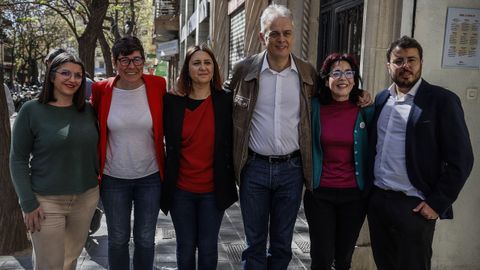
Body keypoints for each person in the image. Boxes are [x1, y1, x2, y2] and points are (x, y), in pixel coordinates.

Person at [367, 35, 474, 270]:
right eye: (399, 60)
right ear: (389, 66)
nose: (405, 66)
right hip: (379, 202)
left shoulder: (441, 101)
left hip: (414, 206)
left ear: (421, 62)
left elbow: (462, 159)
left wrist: (437, 203)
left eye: (411, 60)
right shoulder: (381, 99)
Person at [223, 4, 317, 269]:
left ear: (294, 35)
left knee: (282, 244)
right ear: (262, 36)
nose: (281, 39)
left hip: (292, 170)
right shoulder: (244, 70)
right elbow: (220, 101)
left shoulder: (307, 73)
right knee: (254, 244)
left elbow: (330, 103)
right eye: (273, 33)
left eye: (286, 32)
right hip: (254, 168)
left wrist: (361, 98)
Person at [9, 52, 99, 269]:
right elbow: (18, 159)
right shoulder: (31, 110)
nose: (72, 79)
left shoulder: (88, 110)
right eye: (65, 73)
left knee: (69, 261)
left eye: (78, 75)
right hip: (45, 202)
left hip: (85, 199)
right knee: (50, 264)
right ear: (51, 76)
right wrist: (27, 203)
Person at [90, 36, 166, 270]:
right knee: (118, 239)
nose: (131, 66)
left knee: (145, 239)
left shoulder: (157, 85)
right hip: (114, 178)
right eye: (124, 60)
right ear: (114, 63)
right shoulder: (101, 89)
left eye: (136, 59)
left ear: (143, 61)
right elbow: (92, 126)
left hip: (150, 177)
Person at [161, 44, 238, 269]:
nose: (203, 67)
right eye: (196, 63)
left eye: (207, 62)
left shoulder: (226, 100)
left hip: (213, 191)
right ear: (187, 69)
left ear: (214, 68)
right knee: (185, 247)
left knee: (208, 247)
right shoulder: (172, 102)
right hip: (180, 190)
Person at [304, 53, 373, 270]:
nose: (343, 78)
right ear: (326, 79)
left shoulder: (365, 109)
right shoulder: (314, 107)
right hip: (320, 193)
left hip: (354, 195)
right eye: (336, 73)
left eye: (348, 72)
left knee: (343, 258)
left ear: (354, 78)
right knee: (322, 256)